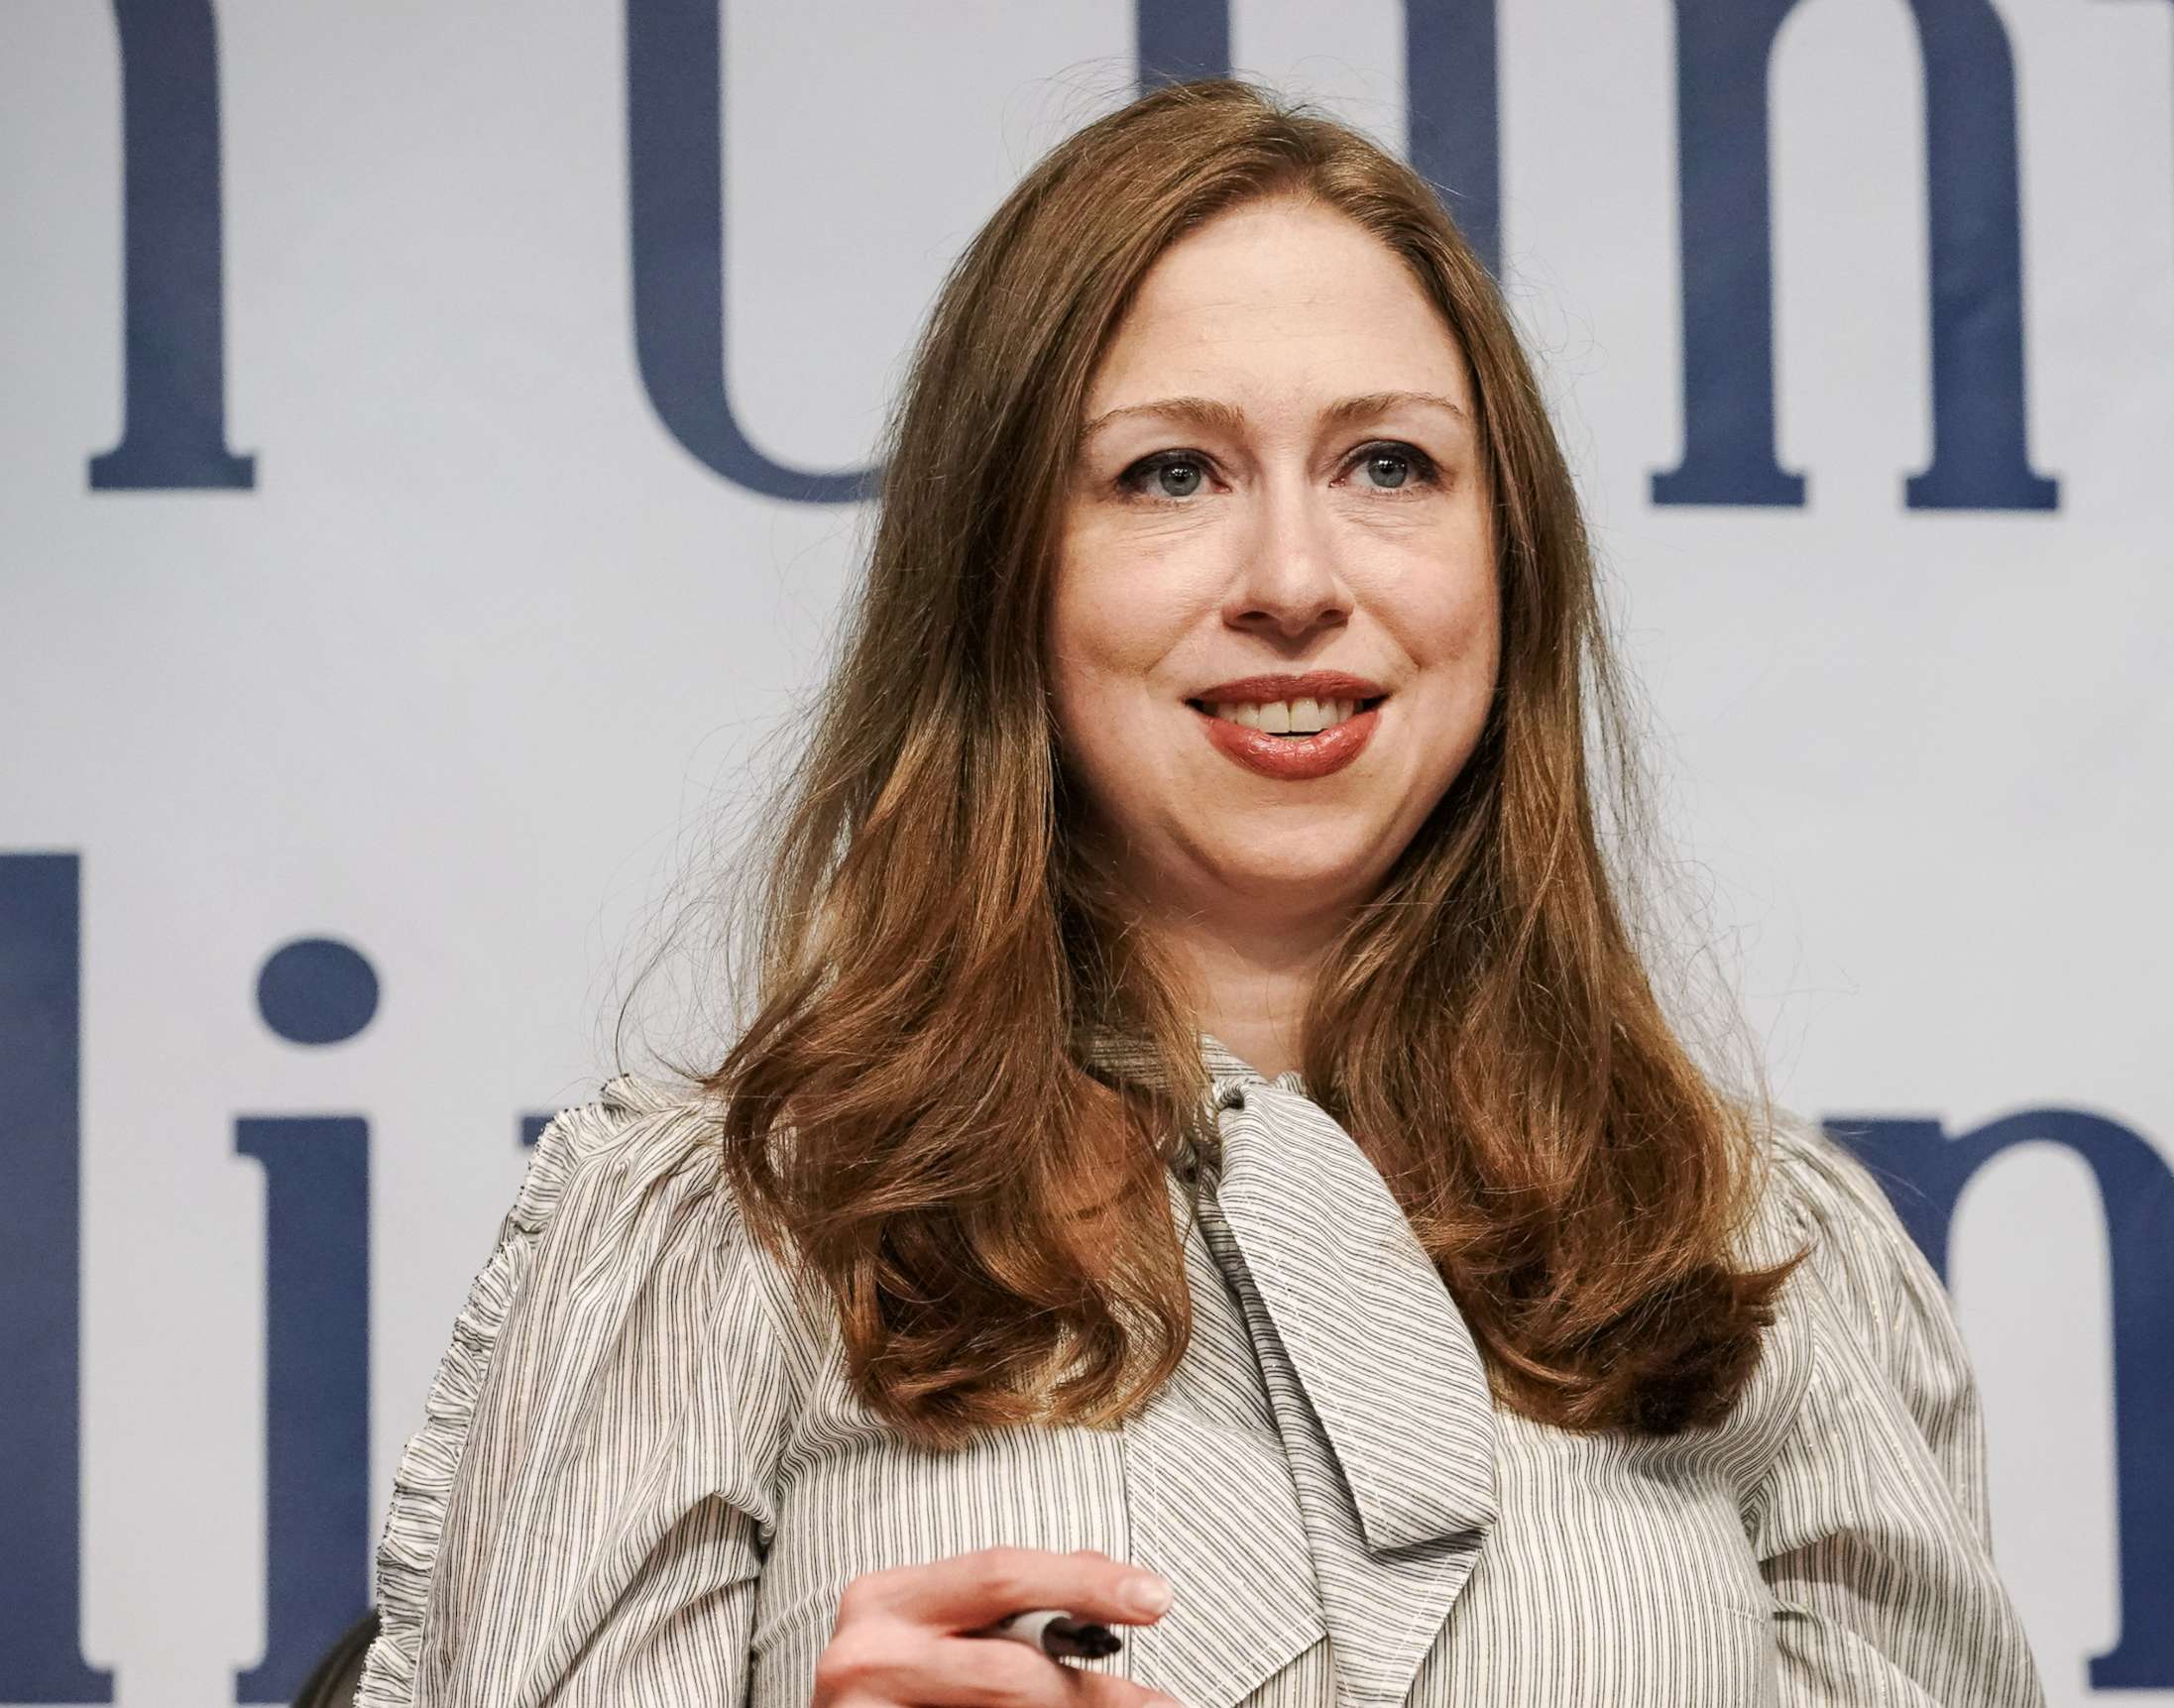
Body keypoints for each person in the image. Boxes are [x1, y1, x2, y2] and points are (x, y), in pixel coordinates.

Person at [351, 77, 2045, 1708]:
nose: (1297, 583)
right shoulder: (717, 1241)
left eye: (1390, 465)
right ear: (1005, 572)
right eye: (1172, 474)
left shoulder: (1764, 1258)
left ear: (1509, 563)